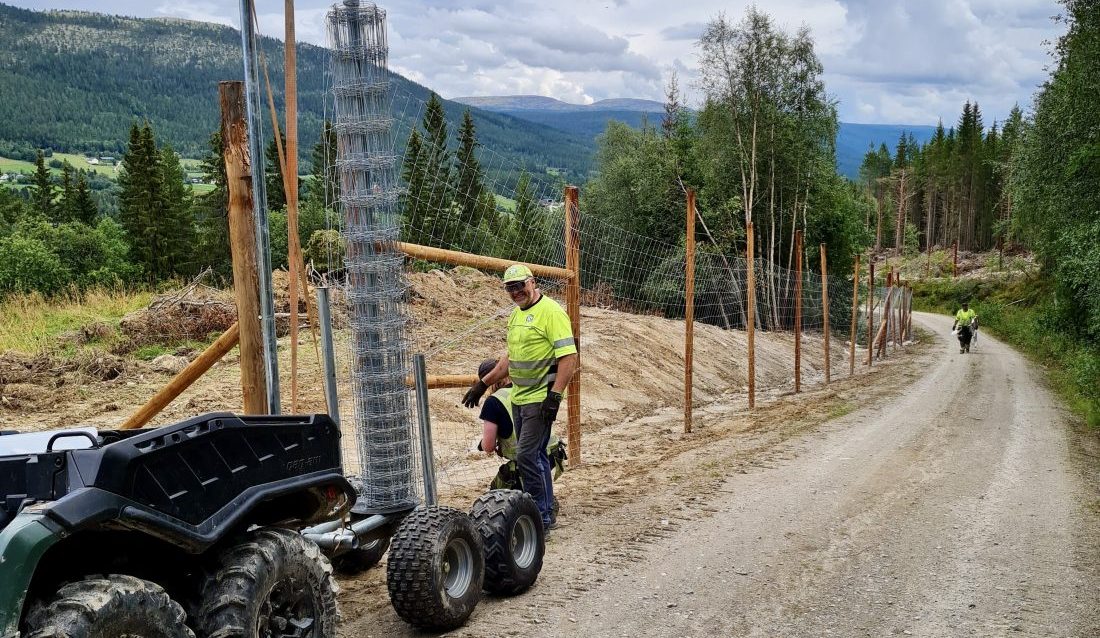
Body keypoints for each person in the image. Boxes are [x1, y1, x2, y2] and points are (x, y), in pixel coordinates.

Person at [462, 264, 578, 532]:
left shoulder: (551, 312)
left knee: (526, 455)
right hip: (519, 397)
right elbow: (509, 360)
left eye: (520, 286)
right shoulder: (515, 316)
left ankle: (539, 515)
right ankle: (546, 512)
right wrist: (482, 384)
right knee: (535, 455)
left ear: (532, 282)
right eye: (510, 288)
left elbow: (569, 357)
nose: (516, 292)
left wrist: (555, 396)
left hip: (540, 398)